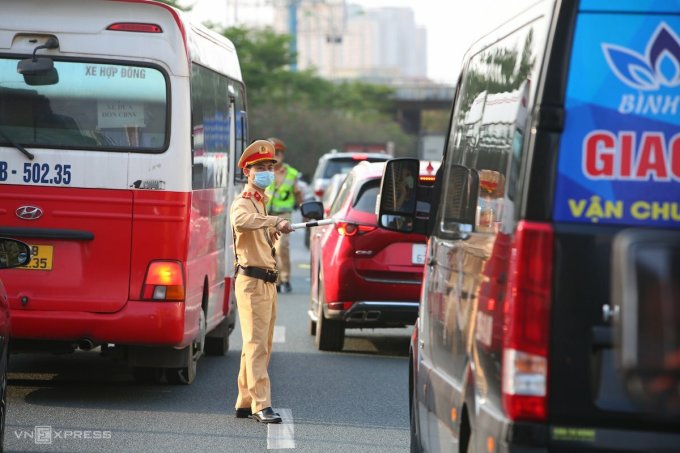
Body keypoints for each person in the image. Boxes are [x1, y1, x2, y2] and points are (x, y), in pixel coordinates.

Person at [230, 139, 294, 424]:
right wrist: (273, 222)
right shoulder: (243, 202)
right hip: (252, 283)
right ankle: (261, 404)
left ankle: (244, 401)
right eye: (261, 168)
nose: (267, 172)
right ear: (248, 172)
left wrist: (272, 227)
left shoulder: (261, 204)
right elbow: (242, 221)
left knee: (258, 344)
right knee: (257, 345)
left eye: (270, 166)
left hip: (267, 283)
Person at [265, 137, 303, 294]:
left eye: (278, 152)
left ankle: (284, 278)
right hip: (266, 215)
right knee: (268, 248)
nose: (276, 156)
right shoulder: (262, 170)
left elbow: (298, 193)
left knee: (281, 247)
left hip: (284, 215)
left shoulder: (291, 173)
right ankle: (276, 279)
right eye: (273, 152)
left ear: (282, 155)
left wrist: (304, 210)